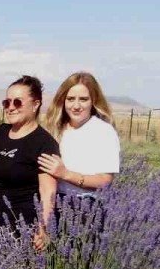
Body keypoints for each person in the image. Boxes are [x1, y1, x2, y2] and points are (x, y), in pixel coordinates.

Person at [0, 75, 60, 250]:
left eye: (17, 102)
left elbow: (48, 191)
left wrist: (44, 229)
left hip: (20, 231)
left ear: (36, 104)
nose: (10, 108)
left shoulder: (44, 143)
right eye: (7, 103)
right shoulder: (0, 133)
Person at [38, 71, 121, 202]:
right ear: (63, 101)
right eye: (70, 99)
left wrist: (66, 174)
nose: (76, 106)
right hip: (51, 201)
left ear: (93, 101)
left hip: (85, 205)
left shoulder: (103, 131)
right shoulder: (53, 128)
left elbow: (105, 181)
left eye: (83, 99)